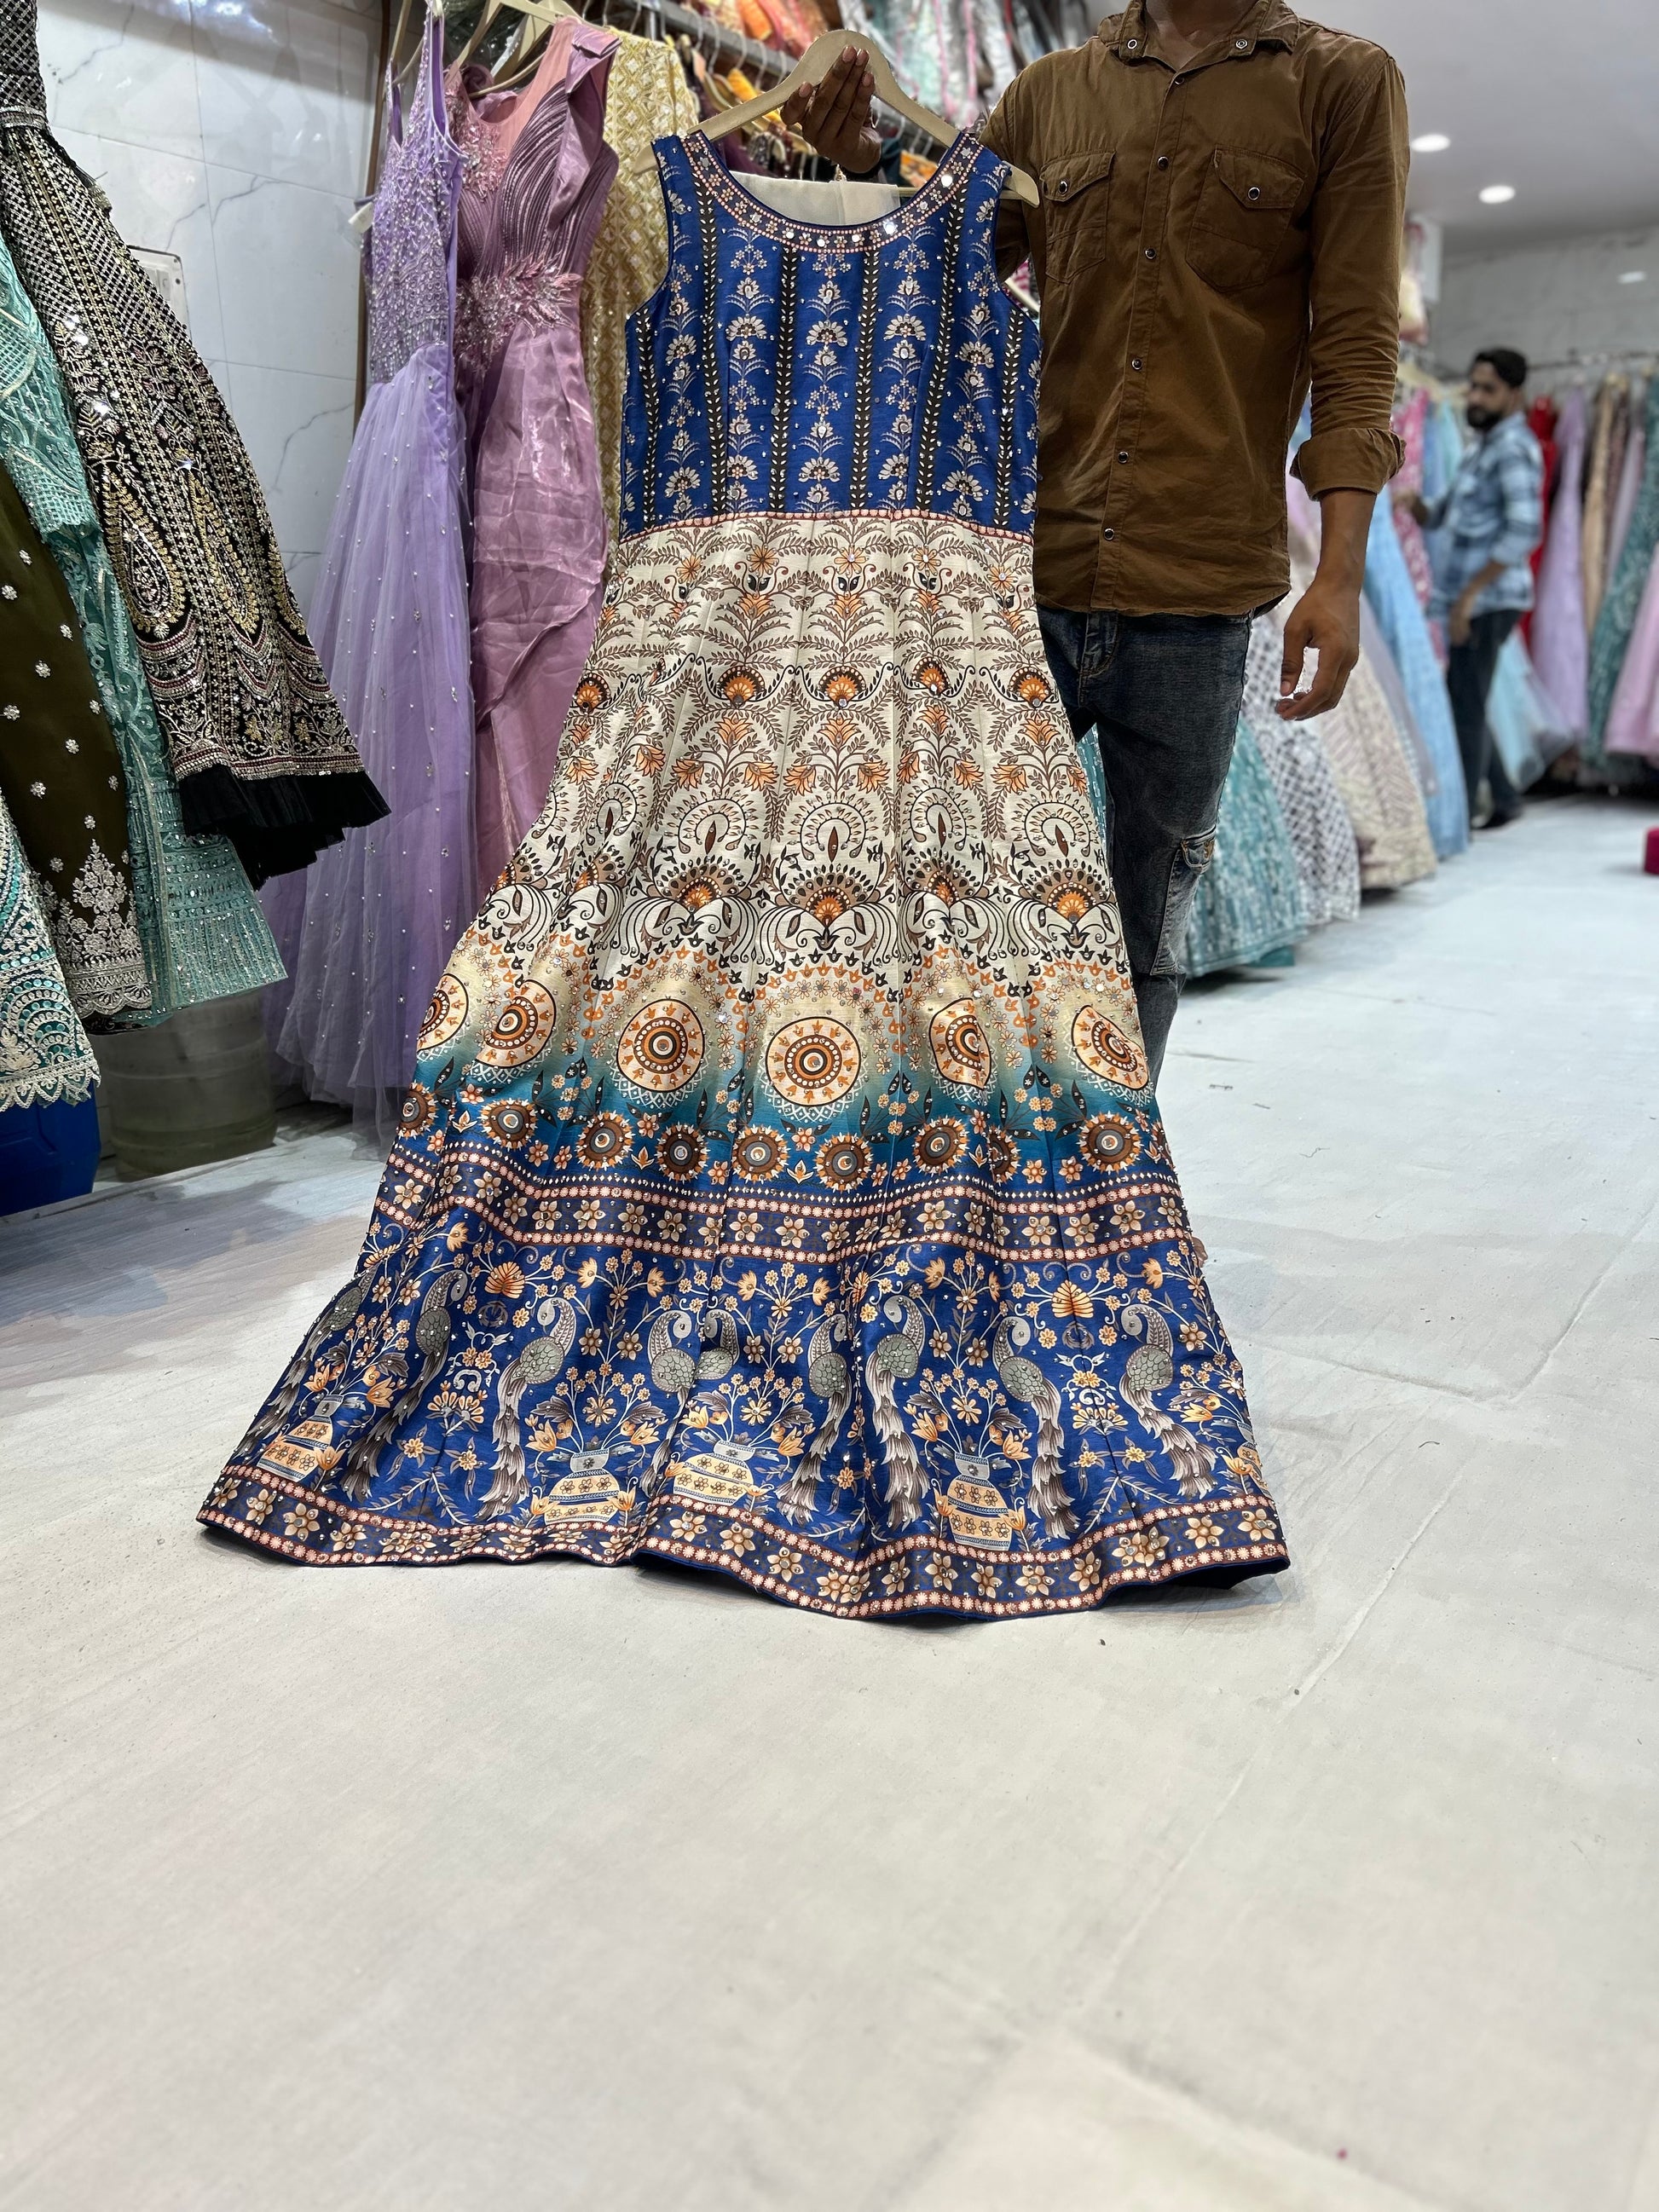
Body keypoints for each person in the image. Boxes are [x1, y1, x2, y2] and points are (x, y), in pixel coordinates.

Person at [784, 1, 1408, 1077]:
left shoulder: (1337, 86)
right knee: (953, 897)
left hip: (1196, 579)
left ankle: (1111, 1172)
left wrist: (1339, 577)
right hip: (1024, 565)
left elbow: (1354, 347)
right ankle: (966, 1155)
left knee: (1140, 925)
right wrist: (860, 163)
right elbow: (939, 265)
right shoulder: (1048, 95)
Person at [1395, 348, 1544, 830]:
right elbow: (1446, 513)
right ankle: (1504, 796)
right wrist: (1416, 505)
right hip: (1473, 596)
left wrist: (1469, 597)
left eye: (1488, 389)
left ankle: (1459, 817)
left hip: (1488, 599)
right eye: (1474, 386)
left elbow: (1525, 530)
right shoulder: (1482, 446)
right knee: (1468, 697)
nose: (1475, 397)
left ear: (1514, 394)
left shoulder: (1513, 448)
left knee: (1463, 701)